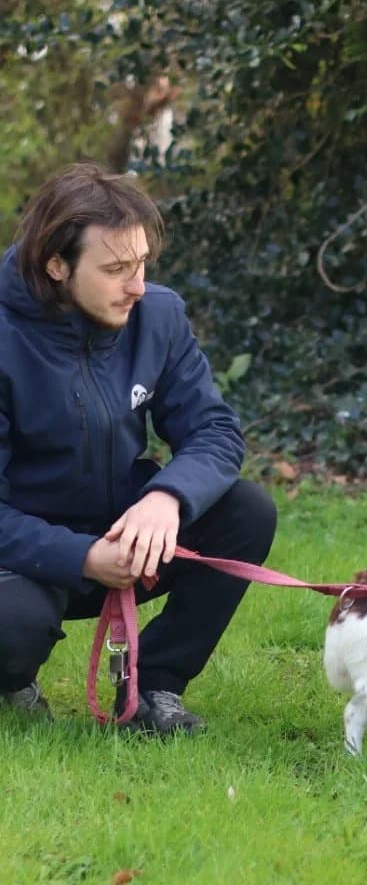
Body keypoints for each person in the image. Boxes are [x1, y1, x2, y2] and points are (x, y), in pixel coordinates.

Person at [0, 163, 277, 733]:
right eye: (116, 269)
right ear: (56, 265)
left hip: (124, 529)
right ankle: (13, 678)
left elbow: (215, 431)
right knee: (12, 621)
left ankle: (153, 689)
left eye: (143, 263)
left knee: (246, 511)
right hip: (21, 555)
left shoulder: (158, 315)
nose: (137, 285)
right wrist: (78, 557)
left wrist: (167, 499)